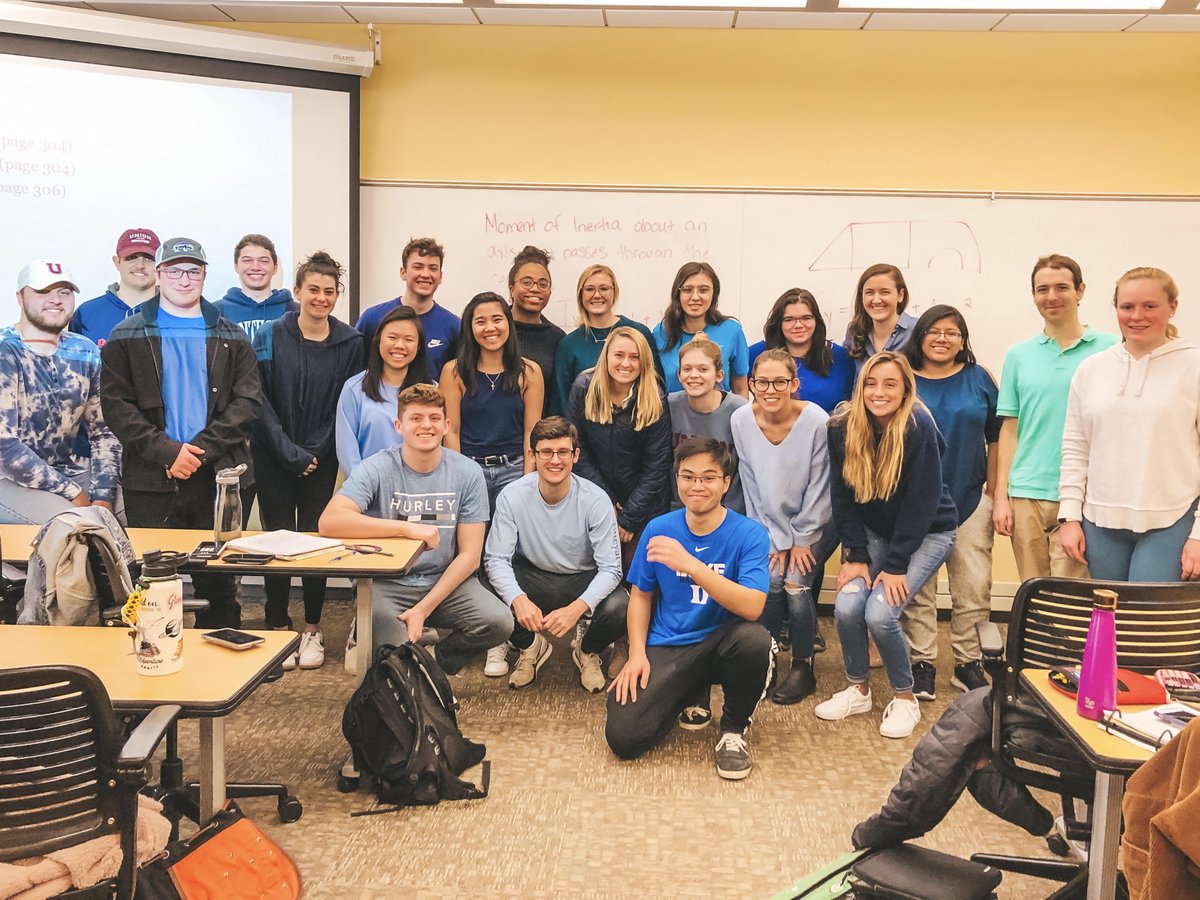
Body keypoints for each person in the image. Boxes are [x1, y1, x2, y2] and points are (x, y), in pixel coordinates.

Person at [101, 237, 260, 629]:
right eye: (174, 270)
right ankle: (156, 662)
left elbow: (248, 402)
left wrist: (197, 452)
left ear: (205, 276)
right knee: (153, 582)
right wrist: (168, 453)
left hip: (219, 479)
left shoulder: (232, 335)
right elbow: (117, 408)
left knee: (220, 584)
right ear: (158, 274)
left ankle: (223, 669)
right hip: (151, 480)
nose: (183, 279)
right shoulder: (126, 334)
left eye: (193, 271)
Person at [605, 437, 772, 781]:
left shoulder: (750, 534)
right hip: (669, 643)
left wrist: (692, 564)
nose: (697, 486)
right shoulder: (659, 528)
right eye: (688, 476)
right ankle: (689, 691)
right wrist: (637, 653)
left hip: (723, 643)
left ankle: (733, 731)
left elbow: (753, 606)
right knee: (624, 738)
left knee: (756, 640)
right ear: (677, 479)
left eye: (709, 478)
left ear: (726, 483)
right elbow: (641, 596)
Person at [318, 384, 513, 671]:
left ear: (446, 425)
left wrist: (424, 608)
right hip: (389, 583)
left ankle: (434, 662)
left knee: (499, 621)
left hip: (444, 581)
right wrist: (405, 530)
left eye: (434, 419)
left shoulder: (467, 472)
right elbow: (330, 521)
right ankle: (399, 662)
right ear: (399, 425)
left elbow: (470, 557)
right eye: (416, 418)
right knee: (394, 662)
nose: (426, 426)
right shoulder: (378, 467)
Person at [815, 352, 958, 740]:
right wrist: (856, 556)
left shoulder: (918, 424)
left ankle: (905, 697)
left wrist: (894, 565)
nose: (879, 392)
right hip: (875, 532)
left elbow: (921, 505)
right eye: (871, 384)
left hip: (928, 532)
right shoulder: (842, 425)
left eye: (890, 384)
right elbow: (842, 497)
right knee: (846, 606)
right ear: (860, 388)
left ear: (906, 389)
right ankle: (858, 689)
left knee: (880, 613)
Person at [251, 251, 364, 670]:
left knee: (318, 540)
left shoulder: (351, 342)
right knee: (277, 540)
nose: (320, 297)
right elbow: (258, 399)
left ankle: (313, 629)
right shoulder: (268, 334)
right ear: (296, 291)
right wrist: (287, 451)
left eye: (329, 291)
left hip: (323, 456)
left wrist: (314, 453)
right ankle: (277, 626)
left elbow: (346, 400)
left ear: (337, 296)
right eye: (312, 289)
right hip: (272, 454)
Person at [1059, 267, 1200, 582]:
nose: (1137, 315)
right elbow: (1075, 447)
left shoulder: (1193, 366)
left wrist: (1199, 536)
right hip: (1099, 520)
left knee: (1147, 622)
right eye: (1127, 307)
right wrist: (1069, 517)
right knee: (1110, 617)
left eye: (1150, 306)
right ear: (1116, 309)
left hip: (1171, 519)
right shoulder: (1091, 369)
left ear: (1172, 307)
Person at [992, 254, 1118, 582]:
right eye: (1042, 289)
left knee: (1072, 597)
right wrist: (1002, 497)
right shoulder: (1019, 355)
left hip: (1083, 493)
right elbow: (1010, 428)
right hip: (1027, 493)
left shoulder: (1111, 349)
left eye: (1061, 287)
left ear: (1080, 291)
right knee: (1033, 594)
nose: (1051, 296)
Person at [483, 417, 630, 692]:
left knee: (622, 608)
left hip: (581, 577)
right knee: (486, 586)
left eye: (563, 452)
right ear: (532, 454)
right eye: (546, 452)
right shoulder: (511, 496)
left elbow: (611, 568)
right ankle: (531, 646)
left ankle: (587, 650)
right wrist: (518, 599)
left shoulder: (595, 500)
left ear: (575, 455)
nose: (555, 460)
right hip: (533, 574)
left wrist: (578, 608)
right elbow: (496, 559)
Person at [902, 306, 1000, 701]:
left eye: (952, 332)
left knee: (973, 588)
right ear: (920, 336)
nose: (942, 339)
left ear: (963, 340)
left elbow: (997, 438)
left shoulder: (979, 379)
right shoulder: (903, 379)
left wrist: (996, 493)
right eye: (934, 331)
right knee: (918, 590)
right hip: (914, 502)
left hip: (971, 497)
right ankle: (921, 662)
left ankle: (967, 663)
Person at [732, 349, 833, 705]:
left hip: (816, 520)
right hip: (769, 522)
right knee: (770, 581)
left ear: (794, 384)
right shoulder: (742, 420)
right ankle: (769, 658)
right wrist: (770, 538)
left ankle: (804, 667)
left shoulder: (817, 420)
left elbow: (821, 486)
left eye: (779, 382)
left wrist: (801, 538)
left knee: (795, 583)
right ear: (753, 384)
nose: (770, 390)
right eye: (762, 382)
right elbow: (751, 485)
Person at [0, 260, 120, 525]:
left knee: (138, 505)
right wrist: (73, 492)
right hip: (9, 479)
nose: (55, 300)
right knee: (76, 525)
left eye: (64, 292)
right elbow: (4, 445)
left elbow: (103, 431)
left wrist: (103, 494)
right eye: (43, 291)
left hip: (71, 469)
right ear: (20, 297)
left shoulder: (84, 350)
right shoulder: (5, 349)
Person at [567, 327, 673, 556]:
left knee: (637, 571)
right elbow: (578, 449)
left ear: (644, 361)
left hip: (645, 506)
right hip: (598, 496)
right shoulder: (584, 387)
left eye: (634, 357)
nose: (626, 363)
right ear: (606, 356)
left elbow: (657, 465)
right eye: (619, 355)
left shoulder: (655, 396)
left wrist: (628, 518)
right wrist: (608, 502)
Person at [440, 292, 544, 512]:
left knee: (510, 541)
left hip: (514, 468)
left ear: (508, 322)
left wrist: (528, 477)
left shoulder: (530, 372)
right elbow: (451, 430)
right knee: (471, 539)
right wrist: (459, 475)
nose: (490, 328)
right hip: (470, 466)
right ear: (470, 328)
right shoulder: (454, 372)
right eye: (480, 321)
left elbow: (531, 431)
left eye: (497, 319)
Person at [336, 305, 430, 477]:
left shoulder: (432, 392)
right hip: (367, 490)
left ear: (418, 348)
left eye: (408, 340)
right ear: (378, 340)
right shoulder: (354, 389)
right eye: (392, 337)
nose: (399, 345)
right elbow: (347, 453)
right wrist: (367, 488)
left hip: (418, 494)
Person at [553, 264, 661, 412]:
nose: (597, 295)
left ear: (614, 292)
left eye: (604, 288)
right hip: (586, 429)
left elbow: (656, 386)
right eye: (590, 289)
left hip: (638, 426)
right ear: (581, 294)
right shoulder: (569, 345)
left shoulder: (639, 333)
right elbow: (561, 403)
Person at [356, 237, 459, 379]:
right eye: (418, 267)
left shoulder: (454, 326)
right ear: (403, 272)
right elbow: (356, 369)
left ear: (440, 276)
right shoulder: (372, 318)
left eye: (433, 268)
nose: (425, 274)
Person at [668, 334, 747, 514]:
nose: (694, 375)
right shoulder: (669, 406)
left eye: (703, 369)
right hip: (680, 510)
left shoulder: (740, 411)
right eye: (687, 369)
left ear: (719, 375)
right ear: (679, 375)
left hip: (729, 512)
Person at [748, 288, 856, 413]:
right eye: (789, 319)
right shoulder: (755, 355)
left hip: (827, 430)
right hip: (772, 430)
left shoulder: (840, 357)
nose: (798, 325)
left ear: (817, 320)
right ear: (779, 323)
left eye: (806, 318)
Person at [652, 262, 749, 398]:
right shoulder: (662, 332)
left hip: (719, 417)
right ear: (677, 294)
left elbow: (740, 389)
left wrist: (740, 419)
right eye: (687, 290)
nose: (695, 297)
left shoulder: (732, 331)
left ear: (713, 294)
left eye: (703, 290)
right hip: (674, 417)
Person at [69, 228, 160, 347]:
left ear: (159, 264)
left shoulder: (174, 312)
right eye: (132, 257)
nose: (140, 265)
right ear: (117, 262)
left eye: (149, 258)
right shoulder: (87, 313)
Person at [507, 246, 565, 416]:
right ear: (511, 288)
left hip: (539, 435)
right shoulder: (494, 331)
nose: (535, 289)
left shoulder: (557, 338)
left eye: (542, 284)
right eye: (526, 282)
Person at [214, 233, 297, 344]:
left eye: (263, 261)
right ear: (236, 266)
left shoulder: (295, 311)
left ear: (275, 267)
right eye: (247, 260)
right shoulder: (215, 312)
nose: (255, 267)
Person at [843, 264, 918, 372]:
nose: (876, 300)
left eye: (885, 292)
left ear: (900, 295)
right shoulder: (854, 331)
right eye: (869, 293)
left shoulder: (917, 330)